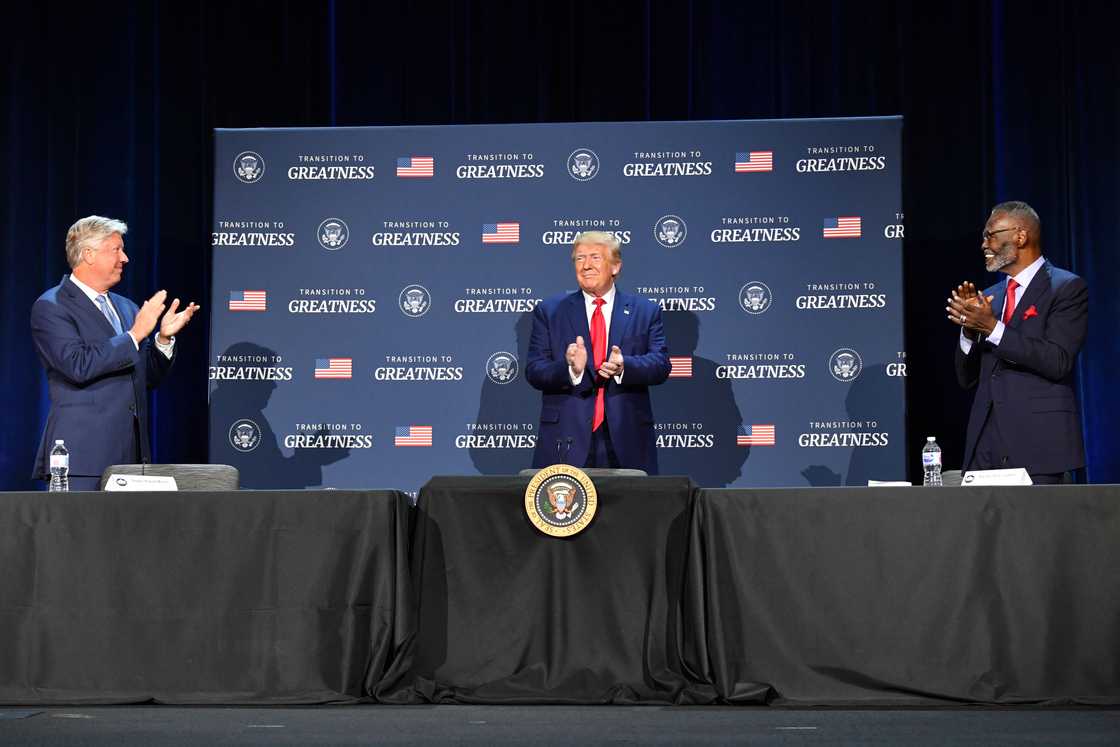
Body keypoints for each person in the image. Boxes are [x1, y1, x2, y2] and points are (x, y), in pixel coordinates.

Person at [30, 216, 200, 490]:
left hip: (132, 461)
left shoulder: (127, 307)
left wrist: (163, 339)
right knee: (82, 533)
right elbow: (77, 365)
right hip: (82, 462)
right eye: (116, 249)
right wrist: (134, 335)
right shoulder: (53, 306)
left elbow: (145, 378)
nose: (125, 258)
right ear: (88, 254)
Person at [946, 201, 1087, 484]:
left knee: (1037, 527)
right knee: (982, 529)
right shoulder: (990, 297)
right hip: (985, 444)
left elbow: (1057, 361)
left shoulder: (1066, 288)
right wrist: (969, 332)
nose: (984, 244)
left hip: (1039, 443)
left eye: (991, 235)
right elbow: (966, 378)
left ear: (1021, 237)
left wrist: (991, 327)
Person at [526, 231, 670, 472]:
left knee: (630, 509)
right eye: (579, 258)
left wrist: (625, 365)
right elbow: (534, 370)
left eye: (595, 257)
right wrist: (570, 369)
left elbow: (661, 364)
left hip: (627, 436)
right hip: (566, 438)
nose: (586, 266)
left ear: (615, 266)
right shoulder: (550, 311)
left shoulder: (645, 311)